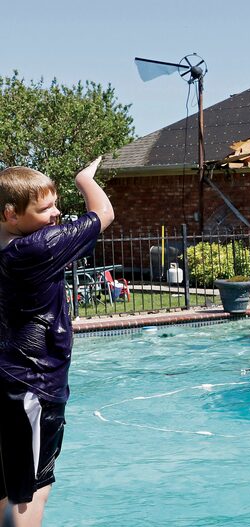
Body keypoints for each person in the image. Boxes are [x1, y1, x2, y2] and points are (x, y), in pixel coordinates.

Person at [0, 157, 114, 526]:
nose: (56, 213)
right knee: (29, 494)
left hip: (7, 378)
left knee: (5, 486)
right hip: (31, 385)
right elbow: (103, 212)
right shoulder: (38, 248)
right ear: (10, 214)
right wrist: (85, 179)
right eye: (45, 207)